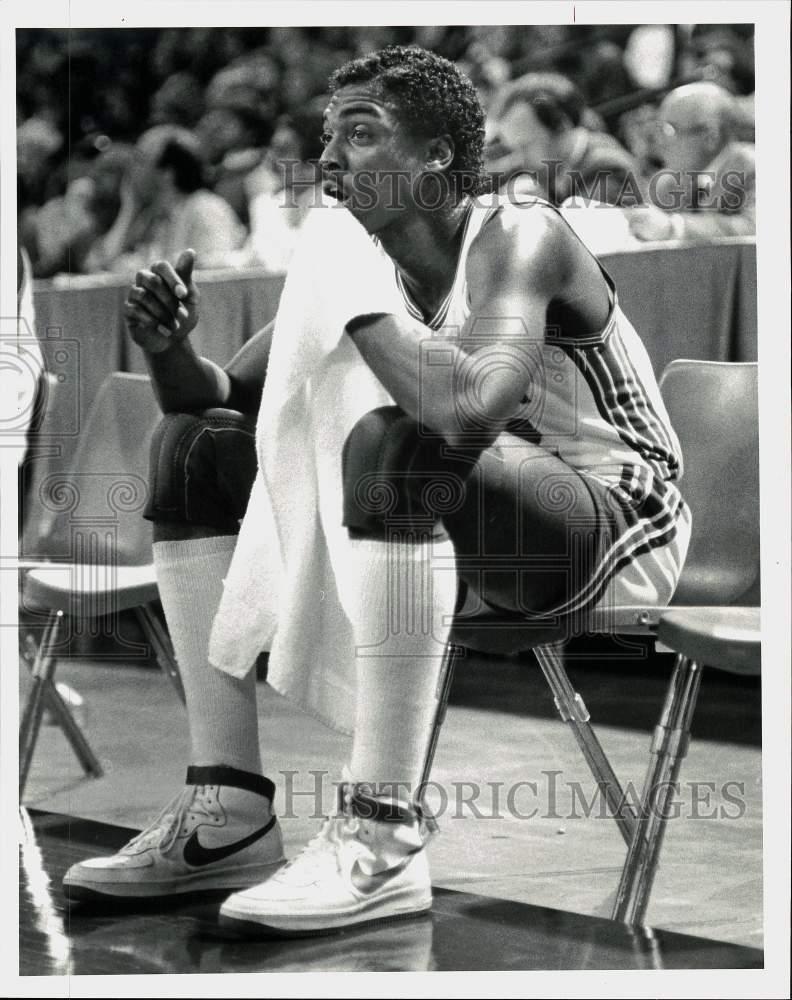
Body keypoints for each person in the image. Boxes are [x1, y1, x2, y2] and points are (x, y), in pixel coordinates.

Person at [63, 46, 690, 937]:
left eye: (360, 134)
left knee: (401, 444)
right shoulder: (364, 261)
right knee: (193, 447)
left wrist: (359, 312)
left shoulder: (519, 233)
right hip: (481, 510)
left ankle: (383, 833)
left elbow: (468, 414)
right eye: (326, 136)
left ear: (437, 155)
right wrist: (169, 347)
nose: (328, 159)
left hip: (620, 520)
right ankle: (227, 812)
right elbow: (216, 401)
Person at [485, 71, 644, 207]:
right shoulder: (546, 162)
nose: (519, 157)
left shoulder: (608, 167)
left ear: (560, 125)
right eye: (513, 147)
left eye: (525, 145)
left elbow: (584, 234)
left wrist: (540, 204)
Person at [626, 81, 755, 242]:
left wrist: (675, 227)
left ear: (711, 138)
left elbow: (756, 228)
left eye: (669, 130)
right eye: (658, 129)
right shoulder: (668, 182)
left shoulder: (757, 169)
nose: (659, 141)